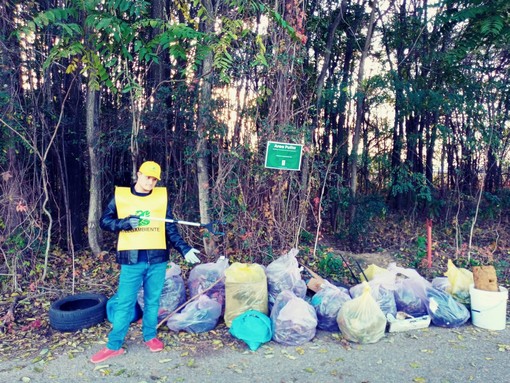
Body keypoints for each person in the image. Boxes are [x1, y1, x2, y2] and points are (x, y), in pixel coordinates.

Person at [90, 160, 201, 364]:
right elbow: (104, 221)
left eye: (154, 179)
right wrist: (122, 223)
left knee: (152, 301)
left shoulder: (161, 198)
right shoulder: (121, 196)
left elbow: (170, 228)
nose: (150, 182)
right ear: (138, 175)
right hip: (132, 260)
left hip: (157, 259)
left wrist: (184, 249)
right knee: (125, 303)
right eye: (147, 177)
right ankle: (114, 345)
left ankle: (150, 336)